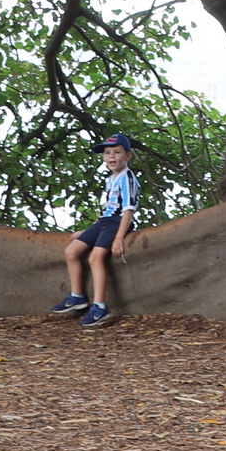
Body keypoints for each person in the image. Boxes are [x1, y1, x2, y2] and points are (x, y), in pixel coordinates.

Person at [52, 134, 139, 327]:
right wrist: (87, 231)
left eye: (117, 152)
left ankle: (100, 307)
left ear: (128, 156)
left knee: (95, 257)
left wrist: (118, 239)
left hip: (117, 222)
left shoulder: (128, 178)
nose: (111, 157)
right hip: (105, 221)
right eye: (107, 153)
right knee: (71, 251)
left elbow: (128, 210)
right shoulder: (110, 179)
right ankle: (77, 297)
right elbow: (108, 208)